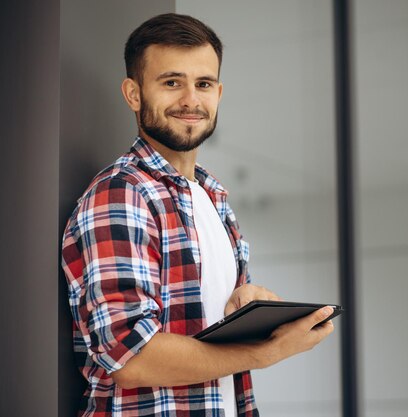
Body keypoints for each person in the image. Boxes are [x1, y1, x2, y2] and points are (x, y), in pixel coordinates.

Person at [61, 13, 335, 417]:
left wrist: (243, 306)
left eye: (203, 84)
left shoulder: (213, 196)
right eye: (172, 82)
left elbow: (201, 323)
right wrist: (266, 351)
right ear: (133, 94)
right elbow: (131, 357)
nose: (191, 99)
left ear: (219, 93)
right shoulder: (122, 193)